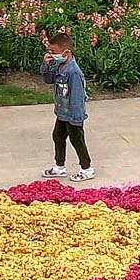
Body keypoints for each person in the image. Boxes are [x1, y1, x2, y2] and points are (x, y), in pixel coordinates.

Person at [41, 28, 93, 181]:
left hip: (73, 114)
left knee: (77, 139)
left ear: (66, 53)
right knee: (57, 136)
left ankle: (87, 168)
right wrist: (47, 66)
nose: (52, 55)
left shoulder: (74, 73)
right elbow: (48, 80)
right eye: (50, 51)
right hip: (62, 112)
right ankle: (59, 166)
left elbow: (77, 97)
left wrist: (76, 118)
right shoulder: (59, 67)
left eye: (54, 52)